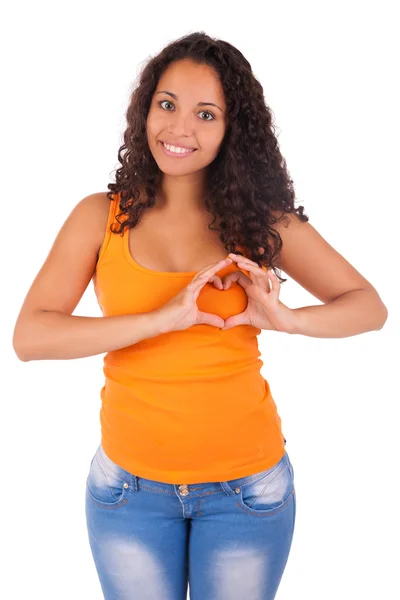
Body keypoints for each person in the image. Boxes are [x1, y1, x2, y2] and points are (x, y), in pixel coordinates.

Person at [12, 32, 388, 600]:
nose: (179, 128)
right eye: (167, 104)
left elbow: (369, 307)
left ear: (231, 129)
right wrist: (158, 320)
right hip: (128, 492)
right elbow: (30, 336)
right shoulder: (99, 216)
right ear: (145, 109)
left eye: (205, 114)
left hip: (247, 491)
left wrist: (288, 320)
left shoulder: (265, 223)